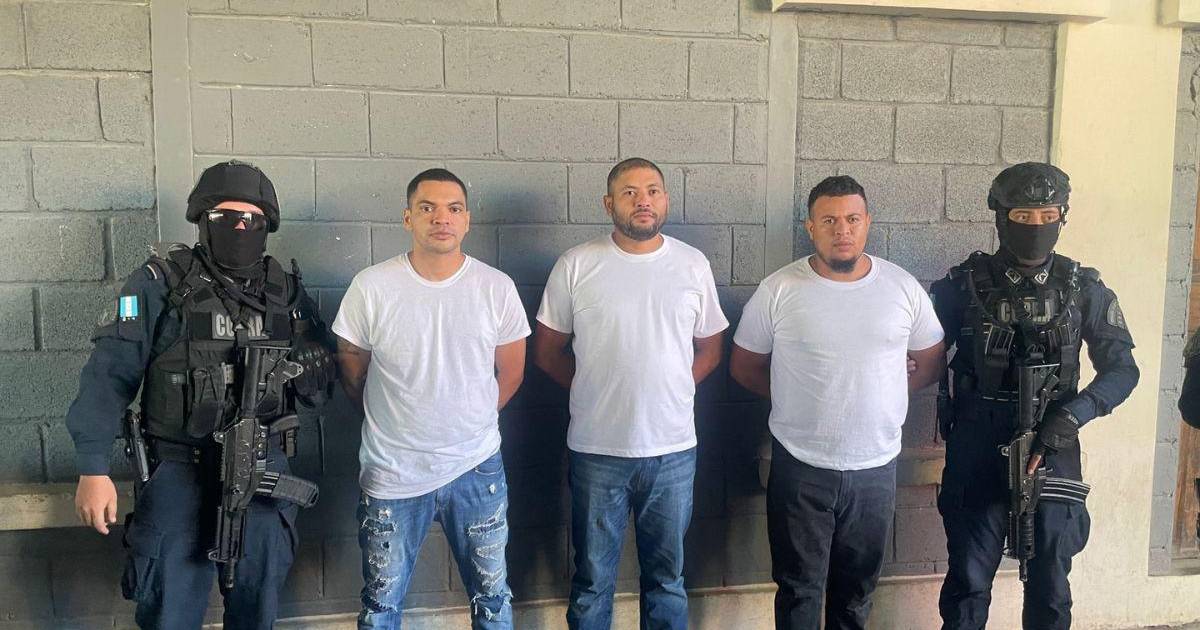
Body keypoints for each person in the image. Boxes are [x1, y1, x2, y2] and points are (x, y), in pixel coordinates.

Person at [67, 160, 337, 630]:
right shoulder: (160, 283)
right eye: (224, 217)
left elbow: (319, 386)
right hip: (179, 471)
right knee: (170, 609)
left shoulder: (286, 292)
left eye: (251, 219)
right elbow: (108, 376)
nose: (239, 227)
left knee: (257, 606)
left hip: (264, 466)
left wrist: (315, 372)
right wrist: (93, 467)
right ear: (201, 221)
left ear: (267, 226)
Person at [729, 175, 945, 630]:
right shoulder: (779, 289)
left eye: (852, 219)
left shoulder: (901, 288)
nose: (841, 230)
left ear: (867, 223)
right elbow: (745, 366)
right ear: (811, 227)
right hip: (800, 467)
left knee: (856, 591)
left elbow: (930, 362)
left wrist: (881, 389)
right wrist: (798, 394)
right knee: (798, 589)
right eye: (829, 220)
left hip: (875, 468)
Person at [931, 162, 1139, 630]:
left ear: (1062, 216)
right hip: (978, 445)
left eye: (1047, 216)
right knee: (967, 586)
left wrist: (1074, 416)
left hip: (1053, 444)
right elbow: (914, 352)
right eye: (1023, 216)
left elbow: (1123, 370)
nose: (1036, 226)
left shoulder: (1084, 289)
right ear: (1000, 216)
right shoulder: (960, 286)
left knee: (1050, 590)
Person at [532, 157, 728, 630]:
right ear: (609, 204)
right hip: (598, 451)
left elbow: (710, 347)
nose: (644, 201)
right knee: (592, 581)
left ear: (665, 200)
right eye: (630, 192)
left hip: (673, 451)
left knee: (667, 580)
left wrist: (672, 387)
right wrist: (594, 388)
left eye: (653, 191)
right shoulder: (577, 264)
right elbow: (548, 351)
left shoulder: (691, 264)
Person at [333, 168, 529, 629]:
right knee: (381, 606)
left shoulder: (495, 287)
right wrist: (395, 421)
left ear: (467, 220)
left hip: (476, 466)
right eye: (428, 208)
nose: (442, 218)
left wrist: (469, 419)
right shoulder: (372, 286)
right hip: (393, 472)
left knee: (493, 600)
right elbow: (351, 369)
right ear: (408, 218)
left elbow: (512, 372)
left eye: (453, 209)